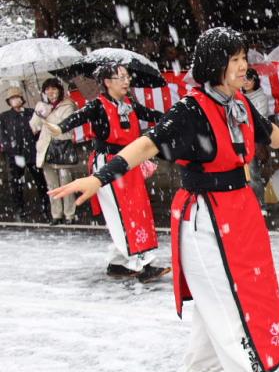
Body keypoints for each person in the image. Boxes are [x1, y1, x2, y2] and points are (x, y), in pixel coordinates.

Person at [50, 27, 279, 372]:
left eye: (243, 57)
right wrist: (99, 179)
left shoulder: (238, 102)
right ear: (214, 65)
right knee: (229, 307)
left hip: (238, 211)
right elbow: (145, 144)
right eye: (234, 59)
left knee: (217, 308)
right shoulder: (191, 109)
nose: (243, 66)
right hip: (205, 218)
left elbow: (268, 132)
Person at [48, 63, 170, 283]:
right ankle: (142, 265)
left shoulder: (129, 104)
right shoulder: (98, 105)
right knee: (123, 213)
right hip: (107, 165)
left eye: (127, 77)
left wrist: (173, 119)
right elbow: (78, 117)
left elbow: (150, 114)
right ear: (107, 82)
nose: (126, 81)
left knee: (136, 210)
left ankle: (118, 263)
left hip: (128, 162)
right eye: (120, 77)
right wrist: (60, 128)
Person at [30, 78, 78, 225]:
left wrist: (48, 114)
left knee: (66, 183)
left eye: (54, 89)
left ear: (59, 90)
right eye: (47, 89)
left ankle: (69, 214)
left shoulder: (68, 104)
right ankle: (56, 215)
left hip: (62, 148)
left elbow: (63, 126)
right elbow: (34, 127)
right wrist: (39, 114)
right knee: (52, 185)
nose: (50, 92)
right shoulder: (41, 106)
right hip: (45, 149)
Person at [0, 86, 49, 221]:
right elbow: (2, 136)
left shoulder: (31, 112)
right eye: (12, 99)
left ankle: (46, 207)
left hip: (33, 153)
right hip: (16, 155)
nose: (15, 100)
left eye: (17, 97)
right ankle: (19, 209)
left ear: (22, 98)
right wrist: (10, 148)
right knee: (17, 183)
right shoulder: (4, 117)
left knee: (41, 182)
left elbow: (41, 129)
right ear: (8, 102)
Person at [243, 68, 269, 202]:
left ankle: (260, 204)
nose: (246, 82)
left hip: (254, 141)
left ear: (255, 81)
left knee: (253, 175)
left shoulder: (261, 97)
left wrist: (243, 118)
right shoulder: (237, 97)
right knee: (242, 177)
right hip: (240, 141)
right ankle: (248, 206)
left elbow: (260, 118)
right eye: (244, 79)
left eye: (249, 79)